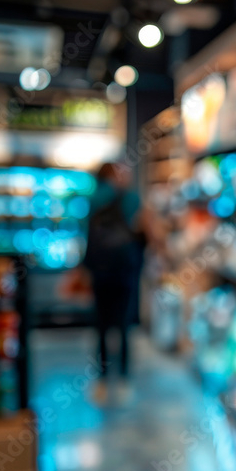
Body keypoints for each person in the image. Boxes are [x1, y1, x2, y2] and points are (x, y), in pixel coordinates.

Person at [83, 162, 143, 403]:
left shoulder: (94, 198)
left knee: (101, 326)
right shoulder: (131, 199)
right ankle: (124, 380)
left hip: (100, 272)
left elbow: (86, 234)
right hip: (125, 272)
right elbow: (143, 229)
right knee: (123, 326)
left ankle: (102, 380)